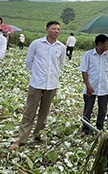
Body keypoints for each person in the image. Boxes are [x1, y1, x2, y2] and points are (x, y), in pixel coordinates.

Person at [9, 21, 66, 149]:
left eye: (58, 29)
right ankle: (21, 139)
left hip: (52, 83)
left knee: (44, 112)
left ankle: (38, 133)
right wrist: (35, 73)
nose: (56, 31)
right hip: (36, 83)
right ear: (47, 29)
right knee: (29, 111)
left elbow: (61, 64)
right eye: (53, 28)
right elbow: (29, 61)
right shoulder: (36, 44)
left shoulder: (61, 47)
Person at [80, 34, 108, 134]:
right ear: (99, 44)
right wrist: (88, 86)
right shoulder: (88, 55)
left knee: (103, 110)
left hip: (104, 87)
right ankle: (85, 129)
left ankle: (99, 128)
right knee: (88, 109)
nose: (107, 47)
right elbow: (84, 71)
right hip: (91, 86)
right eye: (106, 45)